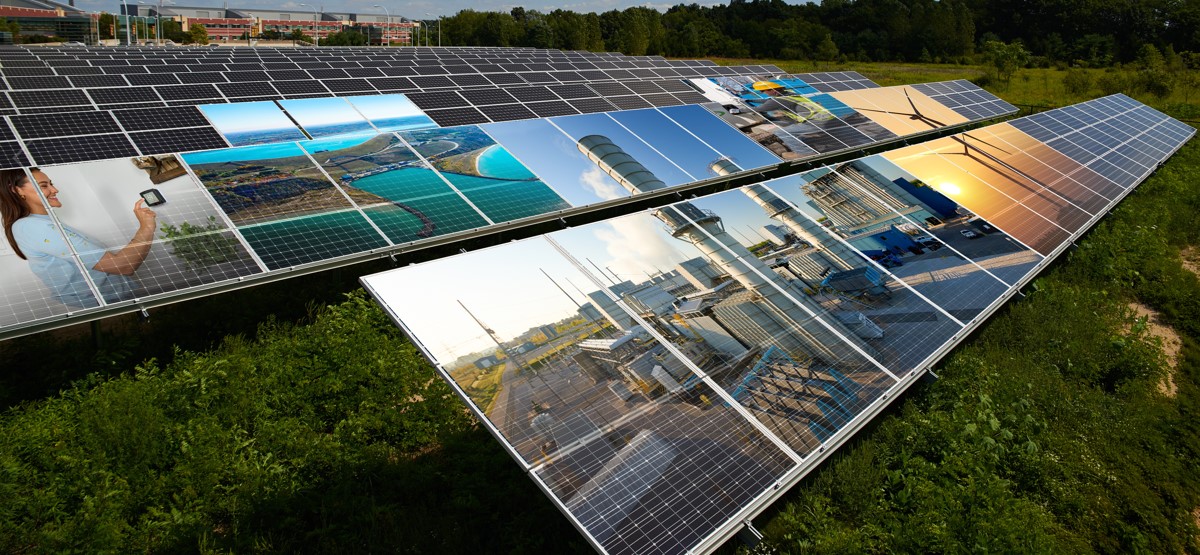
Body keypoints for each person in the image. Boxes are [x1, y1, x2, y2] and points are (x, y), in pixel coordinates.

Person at [1, 167, 156, 308]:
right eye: (44, 185)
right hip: (102, 305)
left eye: (51, 183)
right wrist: (147, 227)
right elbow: (122, 266)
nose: (55, 189)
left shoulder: (43, 223)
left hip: (116, 299)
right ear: (17, 190)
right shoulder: (32, 227)